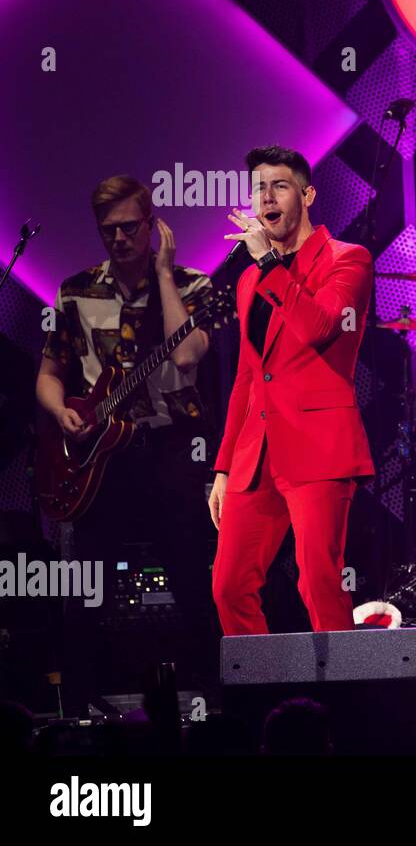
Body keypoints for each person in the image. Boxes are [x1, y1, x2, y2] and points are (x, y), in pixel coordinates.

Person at [36, 174, 216, 710]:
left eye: (130, 227)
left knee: (191, 578)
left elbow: (186, 357)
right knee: (87, 589)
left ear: (152, 223)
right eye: (107, 230)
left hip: (169, 450)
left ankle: (213, 699)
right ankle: (83, 709)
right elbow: (48, 375)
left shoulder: (193, 287)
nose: (119, 239)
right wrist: (61, 409)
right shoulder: (75, 290)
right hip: (99, 457)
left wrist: (162, 273)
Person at [208, 145, 374, 636]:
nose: (266, 197)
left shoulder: (349, 260)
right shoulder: (247, 282)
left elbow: (320, 325)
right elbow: (246, 375)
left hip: (317, 444)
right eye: (259, 188)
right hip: (254, 453)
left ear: (307, 194)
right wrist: (222, 467)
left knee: (319, 582)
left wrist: (268, 265)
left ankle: (344, 704)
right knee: (228, 584)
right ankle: (260, 698)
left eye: (278, 185)